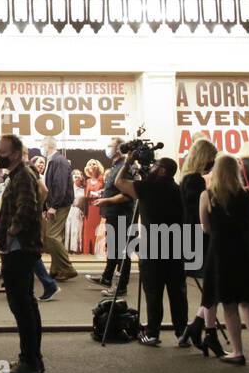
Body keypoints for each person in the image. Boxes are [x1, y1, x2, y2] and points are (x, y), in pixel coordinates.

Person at [200, 155, 249, 365]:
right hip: (244, 251)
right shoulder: (245, 195)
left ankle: (237, 352)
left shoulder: (208, 195)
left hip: (220, 251)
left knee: (229, 305)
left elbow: (205, 227)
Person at [114, 155, 189, 346]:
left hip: (152, 247)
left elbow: (119, 182)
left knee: (153, 292)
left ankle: (153, 332)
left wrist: (128, 162)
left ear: (162, 170)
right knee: (177, 292)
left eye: (156, 165)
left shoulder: (147, 187)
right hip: (176, 246)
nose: (153, 167)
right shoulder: (177, 189)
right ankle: (182, 333)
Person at [0, 134, 44, 373]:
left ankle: (30, 361)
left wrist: (11, 233)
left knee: (21, 305)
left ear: (14, 154)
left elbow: (27, 207)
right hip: (18, 249)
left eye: (1, 151)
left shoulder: (23, 175)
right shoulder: (19, 174)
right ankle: (32, 357)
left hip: (18, 250)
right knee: (26, 304)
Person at [176, 138, 222, 355]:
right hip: (200, 238)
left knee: (213, 287)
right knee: (213, 286)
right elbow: (199, 214)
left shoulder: (187, 179)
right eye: (212, 157)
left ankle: (195, 327)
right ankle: (198, 328)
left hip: (192, 236)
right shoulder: (195, 181)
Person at [87, 139, 131, 296]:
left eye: (110, 145)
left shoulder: (125, 167)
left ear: (119, 149)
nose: (107, 148)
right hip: (112, 213)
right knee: (113, 248)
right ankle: (106, 277)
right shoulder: (115, 167)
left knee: (121, 251)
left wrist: (106, 200)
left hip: (121, 214)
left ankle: (121, 286)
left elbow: (127, 195)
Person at [42, 147, 78, 282]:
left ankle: (67, 268)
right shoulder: (55, 161)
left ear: (47, 146)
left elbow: (60, 184)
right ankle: (56, 269)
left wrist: (54, 206)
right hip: (57, 204)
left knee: (52, 236)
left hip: (60, 204)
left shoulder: (59, 161)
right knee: (56, 236)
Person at [81, 158, 105, 254]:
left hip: (98, 208)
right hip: (89, 208)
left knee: (98, 229)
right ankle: (88, 250)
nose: (92, 165)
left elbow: (105, 193)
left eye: (94, 164)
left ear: (98, 166)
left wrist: (98, 194)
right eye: (90, 164)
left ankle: (98, 249)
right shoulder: (87, 181)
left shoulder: (102, 179)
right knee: (88, 229)